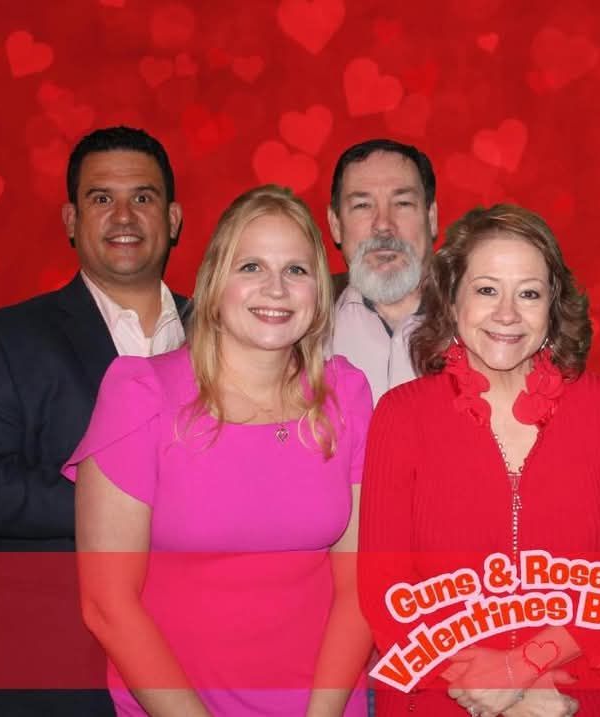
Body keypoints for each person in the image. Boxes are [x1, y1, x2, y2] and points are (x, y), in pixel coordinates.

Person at [63, 185, 374, 716]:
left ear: (319, 292)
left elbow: (359, 590)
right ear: (213, 284)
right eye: (250, 266)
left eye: (296, 270)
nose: (275, 288)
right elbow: (107, 605)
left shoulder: (345, 395)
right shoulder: (142, 395)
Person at [358, 204, 600, 716]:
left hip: (565, 696)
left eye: (528, 293)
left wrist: (523, 669)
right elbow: (385, 593)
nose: (507, 313)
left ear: (552, 306)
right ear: (452, 301)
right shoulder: (400, 415)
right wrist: (491, 692)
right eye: (486, 289)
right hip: (438, 699)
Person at [0, 125, 187, 716]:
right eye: (101, 198)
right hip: (62, 669)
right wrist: (127, 510)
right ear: (71, 219)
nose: (123, 215)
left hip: (206, 657)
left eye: (144, 197)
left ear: (173, 219)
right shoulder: (11, 338)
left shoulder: (229, 334)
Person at [327, 139, 437, 405]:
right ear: (335, 225)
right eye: (363, 205)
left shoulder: (485, 321)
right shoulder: (302, 327)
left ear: (431, 218)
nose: (384, 225)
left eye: (402, 203)